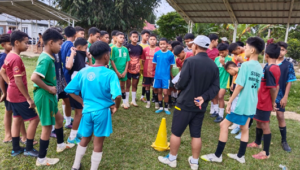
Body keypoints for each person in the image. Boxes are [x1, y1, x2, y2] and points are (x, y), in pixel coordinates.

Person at [158, 35, 219, 170]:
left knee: (176, 132)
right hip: (200, 106)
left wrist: (177, 84)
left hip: (185, 103)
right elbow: (215, 87)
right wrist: (204, 97)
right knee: (196, 134)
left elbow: (182, 83)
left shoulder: (190, 61)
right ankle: (194, 162)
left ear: (195, 46)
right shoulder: (213, 65)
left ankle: (172, 159)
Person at [201, 37, 265, 164]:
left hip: (241, 103)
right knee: (245, 128)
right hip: (252, 103)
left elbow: (239, 85)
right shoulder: (259, 67)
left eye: (246, 47)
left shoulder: (246, 65)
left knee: (223, 125)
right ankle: (240, 156)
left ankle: (217, 155)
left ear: (252, 50)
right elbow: (257, 88)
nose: (244, 49)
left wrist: (230, 101)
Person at [66, 41, 121, 170]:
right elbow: (118, 96)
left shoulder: (83, 71)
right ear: (107, 56)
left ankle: (75, 166)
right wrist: (115, 106)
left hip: (87, 111)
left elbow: (69, 90)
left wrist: (82, 102)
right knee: (98, 142)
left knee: (84, 138)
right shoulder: (110, 74)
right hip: (102, 112)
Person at [31, 29, 75, 166]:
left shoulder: (50, 56)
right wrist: (49, 88)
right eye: (60, 44)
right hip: (44, 95)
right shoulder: (45, 58)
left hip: (49, 96)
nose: (61, 47)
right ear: (51, 43)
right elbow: (34, 77)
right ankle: (41, 159)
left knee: (59, 119)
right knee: (47, 126)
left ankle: (61, 144)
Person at [0, 31, 40, 158]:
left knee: (17, 119)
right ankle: (28, 148)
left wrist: (9, 84)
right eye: (26, 43)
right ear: (16, 43)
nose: (28, 45)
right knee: (35, 119)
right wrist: (28, 98)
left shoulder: (9, 55)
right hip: (18, 95)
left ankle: (16, 148)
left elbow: (2, 71)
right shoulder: (16, 58)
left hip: (12, 94)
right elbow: (17, 80)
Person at [247, 43, 281, 159]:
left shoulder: (272, 69)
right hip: (260, 100)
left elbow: (273, 88)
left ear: (266, 55)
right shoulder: (268, 67)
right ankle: (257, 142)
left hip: (265, 102)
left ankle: (265, 152)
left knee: (265, 125)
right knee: (258, 121)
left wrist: (273, 103)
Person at [0, 34, 28, 144]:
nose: (11, 46)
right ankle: (11, 135)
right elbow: (1, 75)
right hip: (11, 90)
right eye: (8, 44)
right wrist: (5, 90)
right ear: (3, 45)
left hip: (11, 88)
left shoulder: (10, 55)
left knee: (14, 113)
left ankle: (15, 136)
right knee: (12, 112)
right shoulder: (5, 57)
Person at [272, 42, 296, 152]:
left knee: (280, 116)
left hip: (280, 96)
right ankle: (264, 134)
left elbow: (289, 82)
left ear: (285, 51)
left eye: (282, 49)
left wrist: (285, 97)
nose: (280, 51)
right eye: (278, 49)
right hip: (269, 94)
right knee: (265, 115)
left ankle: (284, 140)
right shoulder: (271, 62)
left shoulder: (288, 65)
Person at [152, 38, 175, 115]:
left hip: (166, 77)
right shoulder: (156, 54)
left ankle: (166, 107)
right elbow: (155, 64)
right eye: (161, 44)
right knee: (159, 91)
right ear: (159, 45)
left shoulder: (170, 54)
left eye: (164, 44)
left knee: (165, 93)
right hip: (158, 76)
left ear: (167, 44)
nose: (162, 45)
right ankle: (160, 107)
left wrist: (166, 72)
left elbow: (171, 66)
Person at [211, 43, 232, 123]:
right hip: (216, 80)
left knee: (220, 96)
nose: (221, 54)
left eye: (223, 52)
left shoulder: (230, 59)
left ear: (227, 51)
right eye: (220, 52)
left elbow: (231, 71)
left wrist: (223, 64)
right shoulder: (216, 59)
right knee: (214, 96)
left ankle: (221, 115)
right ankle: (216, 111)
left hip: (224, 81)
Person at [110, 32, 130, 109]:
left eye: (123, 37)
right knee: (113, 87)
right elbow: (112, 61)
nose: (122, 39)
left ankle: (124, 103)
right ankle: (112, 103)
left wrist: (125, 71)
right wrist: (117, 72)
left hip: (123, 71)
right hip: (114, 71)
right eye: (120, 37)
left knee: (122, 86)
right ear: (116, 38)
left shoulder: (125, 49)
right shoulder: (113, 48)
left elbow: (127, 61)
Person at [141, 34, 160, 109]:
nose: (152, 41)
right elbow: (143, 61)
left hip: (155, 73)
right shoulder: (145, 49)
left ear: (156, 40)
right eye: (151, 39)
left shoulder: (158, 50)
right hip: (146, 72)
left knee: (155, 88)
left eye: (154, 39)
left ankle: (156, 102)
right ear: (148, 40)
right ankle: (148, 102)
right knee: (147, 87)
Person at [125, 31, 143, 107]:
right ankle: (126, 101)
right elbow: (125, 58)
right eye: (133, 37)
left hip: (136, 69)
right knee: (128, 85)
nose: (135, 38)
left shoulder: (140, 48)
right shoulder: (127, 47)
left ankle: (133, 101)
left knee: (134, 84)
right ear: (130, 38)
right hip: (128, 69)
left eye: (136, 37)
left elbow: (141, 58)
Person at [138, 30, 150, 103]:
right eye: (146, 35)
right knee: (135, 82)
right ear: (142, 35)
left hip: (146, 67)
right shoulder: (138, 45)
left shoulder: (149, 46)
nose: (147, 37)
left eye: (148, 36)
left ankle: (142, 96)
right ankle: (134, 97)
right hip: (138, 66)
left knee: (145, 82)